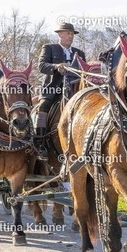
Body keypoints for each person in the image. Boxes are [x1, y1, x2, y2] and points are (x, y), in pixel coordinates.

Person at [34, 22, 86, 160]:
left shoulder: (80, 53)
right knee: (43, 106)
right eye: (68, 33)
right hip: (53, 90)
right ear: (60, 34)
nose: (70, 36)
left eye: (72, 34)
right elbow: (41, 66)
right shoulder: (49, 48)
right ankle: (40, 142)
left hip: (75, 91)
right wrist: (56, 66)